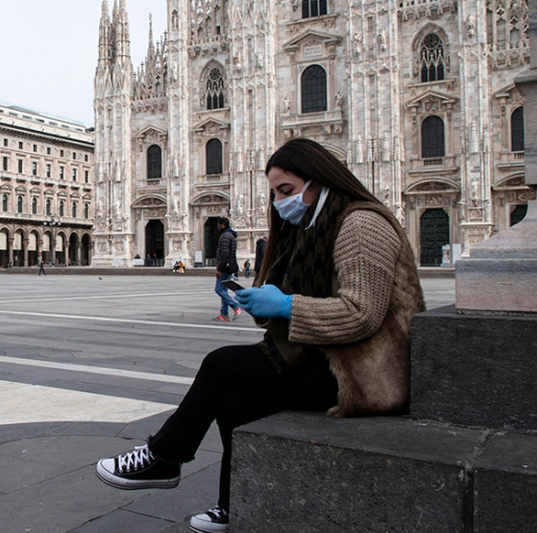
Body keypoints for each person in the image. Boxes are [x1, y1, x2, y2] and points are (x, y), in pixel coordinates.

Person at [95, 138, 426, 533]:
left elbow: (361, 315)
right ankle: (232, 505)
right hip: (332, 360)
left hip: (368, 376)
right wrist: (268, 300)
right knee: (234, 401)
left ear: (318, 179)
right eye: (273, 192)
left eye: (285, 190)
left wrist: (286, 306)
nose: (279, 200)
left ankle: (163, 456)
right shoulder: (313, 227)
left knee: (221, 366)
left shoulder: (361, 223)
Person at [213, 217, 242, 322]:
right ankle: (224, 314)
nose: (217, 227)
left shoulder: (225, 236)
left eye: (218, 225)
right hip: (229, 266)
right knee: (224, 289)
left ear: (222, 225)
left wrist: (219, 269)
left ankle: (236, 306)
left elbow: (224, 254)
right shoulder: (231, 235)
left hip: (225, 267)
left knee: (219, 289)